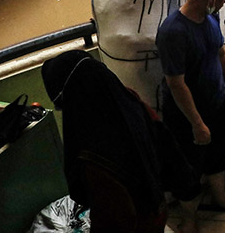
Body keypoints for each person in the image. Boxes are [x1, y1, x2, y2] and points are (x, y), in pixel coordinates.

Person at [42, 50, 202, 233]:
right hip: (156, 207)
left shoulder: (93, 153)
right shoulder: (130, 103)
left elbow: (115, 218)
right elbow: (170, 152)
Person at [156, 0, 225, 232]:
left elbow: (221, 55)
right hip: (187, 116)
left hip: (217, 103)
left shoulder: (211, 19)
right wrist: (197, 123)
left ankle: (220, 198)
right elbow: (176, 83)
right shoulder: (173, 32)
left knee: (218, 155)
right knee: (188, 167)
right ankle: (189, 217)